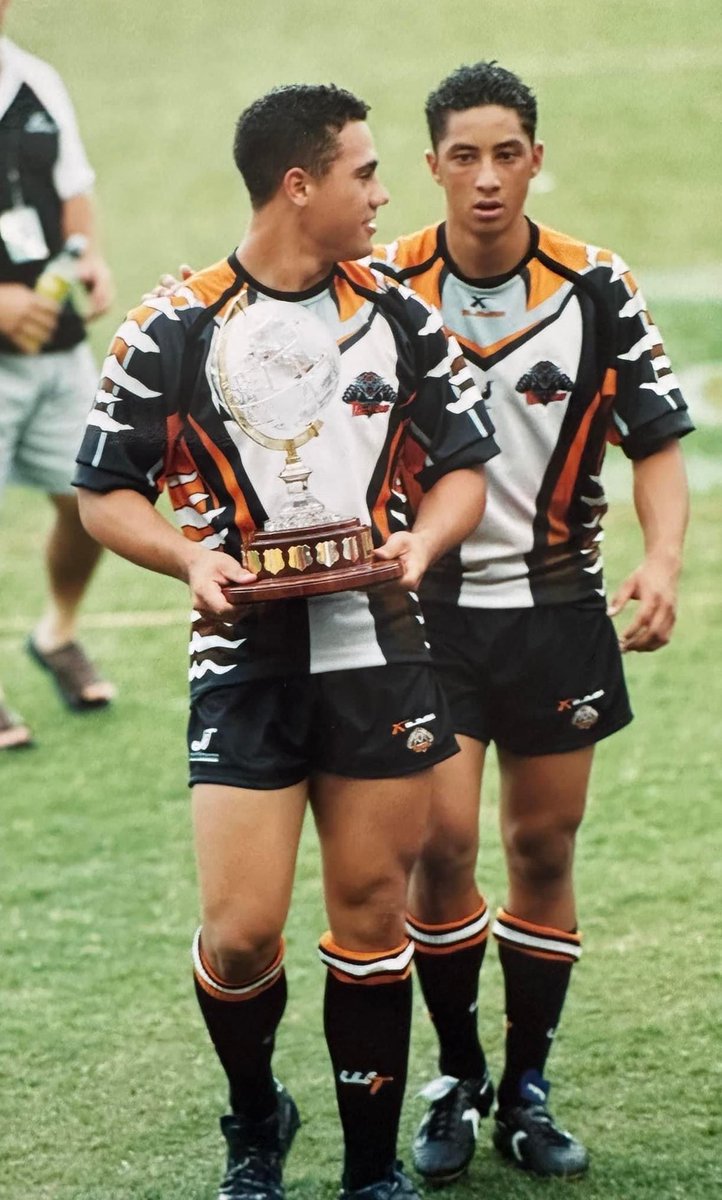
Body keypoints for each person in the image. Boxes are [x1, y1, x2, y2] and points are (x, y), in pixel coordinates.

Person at [74, 83, 499, 1200]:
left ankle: (368, 1173)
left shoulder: (399, 314)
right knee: (242, 933)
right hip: (245, 662)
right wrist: (190, 561)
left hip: (378, 646)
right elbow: (101, 496)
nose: (383, 192)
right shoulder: (170, 328)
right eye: (364, 172)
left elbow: (462, 464)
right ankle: (256, 1117)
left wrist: (419, 548)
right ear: (298, 185)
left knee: (369, 908)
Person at [370, 61, 693, 1184]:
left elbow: (653, 443)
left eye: (506, 153)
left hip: (556, 606)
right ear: (431, 168)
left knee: (540, 847)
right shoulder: (381, 284)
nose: (487, 179)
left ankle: (527, 1082)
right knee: (440, 845)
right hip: (427, 617)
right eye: (463, 156)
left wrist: (659, 560)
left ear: (534, 159)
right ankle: (455, 1074)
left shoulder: (595, 287)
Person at [0, 0, 115, 749]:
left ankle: (56, 633)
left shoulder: (33, 79)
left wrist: (90, 256)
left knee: (95, 500)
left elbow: (74, 189)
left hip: (56, 347)